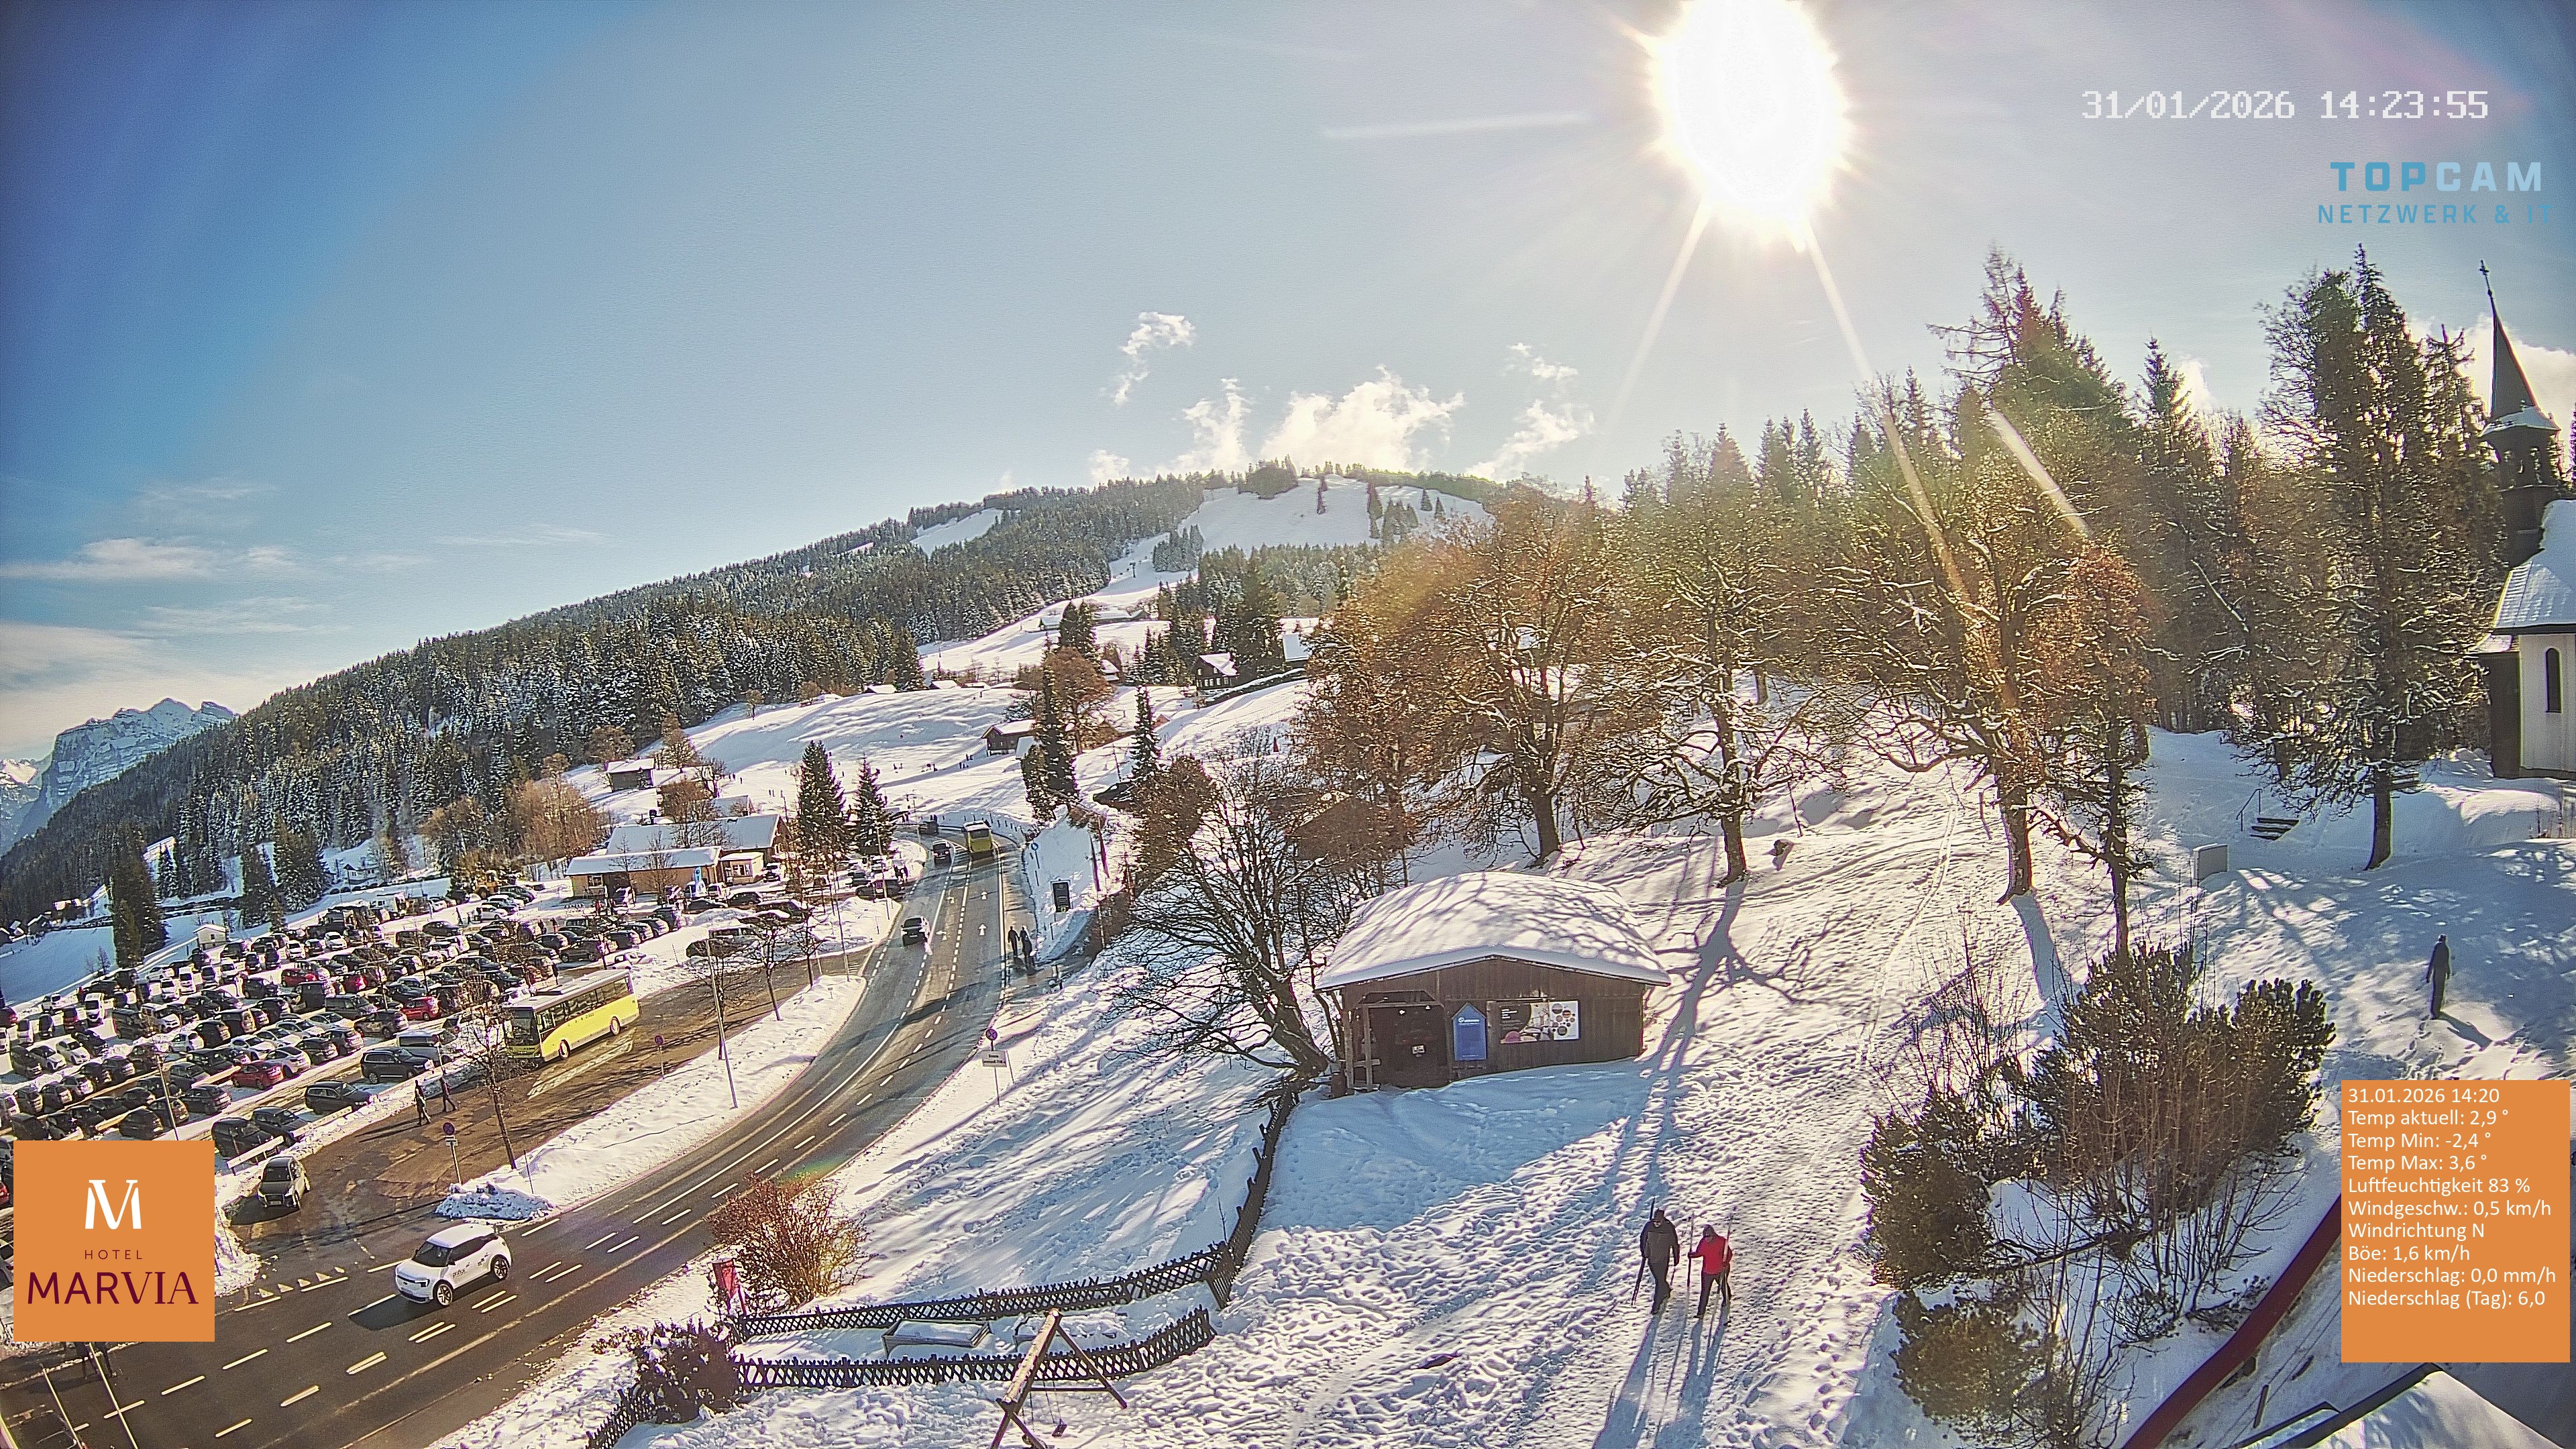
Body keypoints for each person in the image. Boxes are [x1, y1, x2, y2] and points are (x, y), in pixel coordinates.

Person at [1640, 1207, 1681, 1312]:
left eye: (1659, 1222)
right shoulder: (1649, 1226)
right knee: (1660, 1280)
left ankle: (1656, 1305)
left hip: (1664, 1258)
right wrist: (1644, 1253)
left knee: (1659, 1281)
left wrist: (1676, 1257)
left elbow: (1674, 1243)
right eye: (1655, 1221)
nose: (1656, 1224)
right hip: (1652, 1259)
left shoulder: (1668, 1227)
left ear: (1663, 1220)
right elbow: (1643, 1239)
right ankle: (1666, 1290)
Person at [1692, 1227, 1733, 1318]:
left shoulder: (1722, 1241)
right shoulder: (1703, 1242)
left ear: (1713, 1235)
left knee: (1723, 1285)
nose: (1706, 1238)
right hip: (1707, 1271)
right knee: (1705, 1292)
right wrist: (1692, 1255)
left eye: (1708, 1236)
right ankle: (1701, 1312)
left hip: (1720, 1270)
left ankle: (1727, 1297)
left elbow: (1729, 1254)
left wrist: (1726, 1262)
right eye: (1705, 1236)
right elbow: (1699, 1252)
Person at [2427, 934, 2451, 1018]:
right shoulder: (2445, 948)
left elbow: (2432, 961)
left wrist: (2428, 975)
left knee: (2435, 990)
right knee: (2440, 991)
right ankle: (2437, 1011)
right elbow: (2446, 962)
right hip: (2442, 972)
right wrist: (2448, 972)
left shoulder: (2436, 947)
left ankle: (2433, 1011)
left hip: (2436, 971)